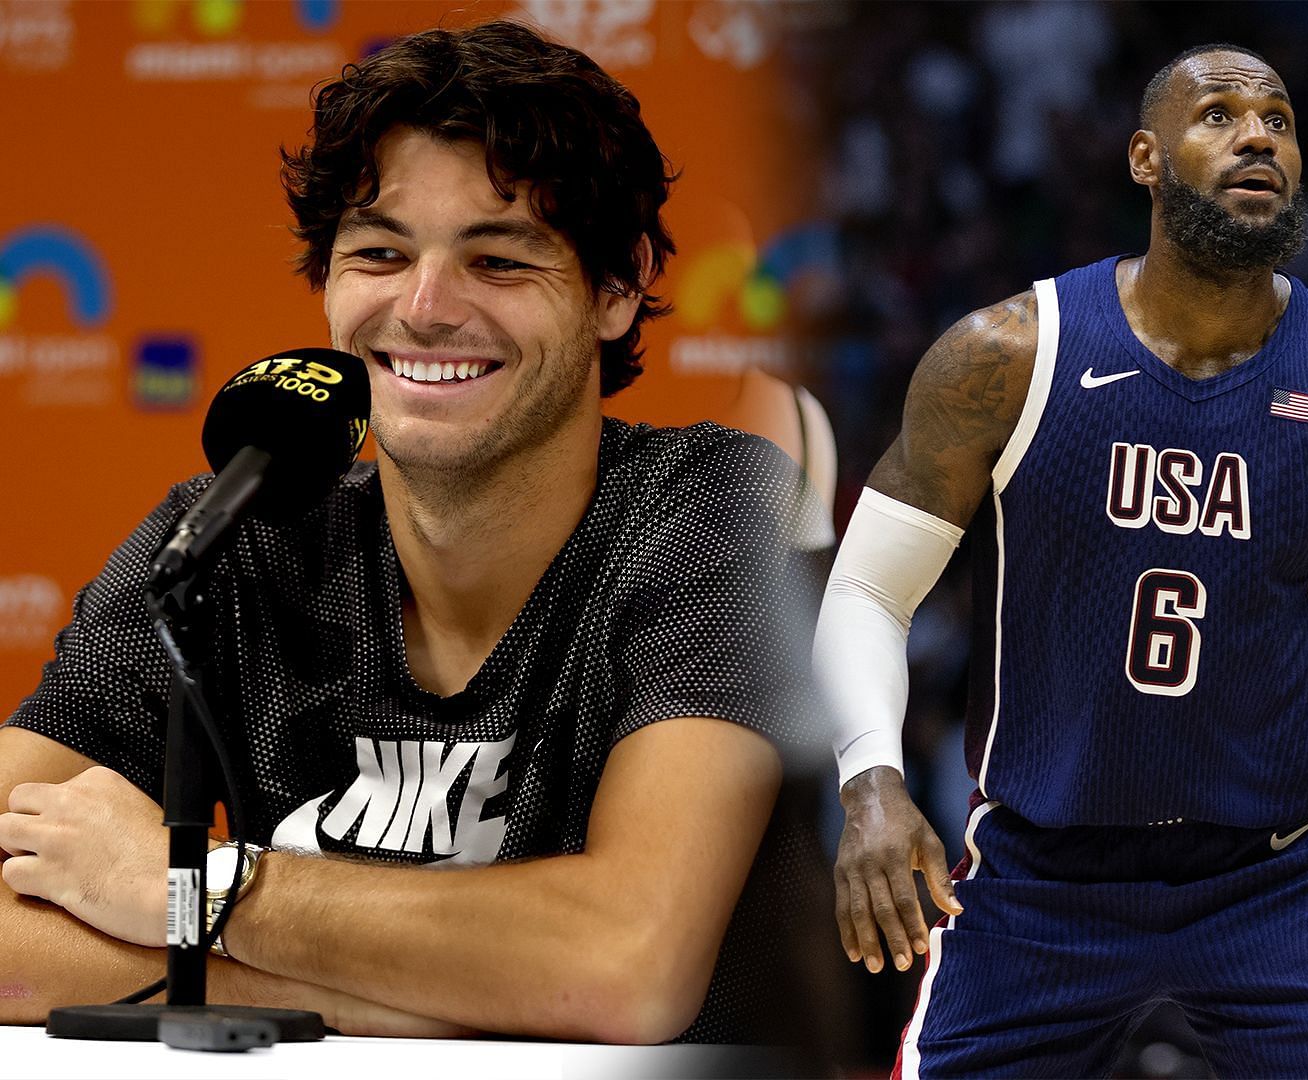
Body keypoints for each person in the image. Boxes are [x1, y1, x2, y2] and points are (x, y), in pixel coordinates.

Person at [0, 21, 812, 1044]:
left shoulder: (707, 509)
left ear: (617, 286)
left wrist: (208, 892)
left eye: (499, 259)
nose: (424, 309)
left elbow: (624, 964)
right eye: (380, 252)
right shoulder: (234, 539)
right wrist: (336, 998)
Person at [815, 43, 1308, 1078]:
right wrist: (871, 784)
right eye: (1217, 114)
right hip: (1043, 877)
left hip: (1278, 877)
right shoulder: (1006, 355)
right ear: (1145, 156)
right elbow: (866, 590)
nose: (1257, 133)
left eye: (1277, 119)